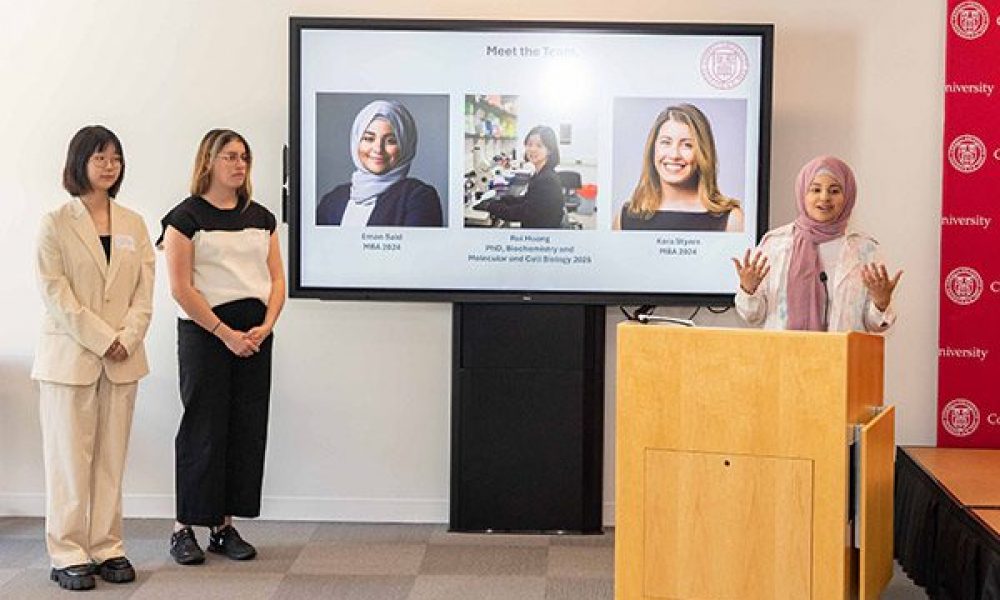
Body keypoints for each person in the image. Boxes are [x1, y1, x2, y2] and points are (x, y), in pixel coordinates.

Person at [32, 125, 154, 590]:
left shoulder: (134, 224)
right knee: (68, 459)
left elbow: (145, 293)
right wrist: (106, 338)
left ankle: (106, 545)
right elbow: (55, 294)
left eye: (115, 158)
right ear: (79, 162)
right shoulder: (55, 222)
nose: (109, 166)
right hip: (71, 359)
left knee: (110, 458)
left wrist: (128, 335)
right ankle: (67, 551)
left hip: (124, 359)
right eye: (100, 157)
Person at [158, 129, 285, 565]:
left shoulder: (263, 217)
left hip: (254, 336)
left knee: (244, 430)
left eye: (244, 157)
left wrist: (265, 326)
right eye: (230, 156)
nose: (239, 164)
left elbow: (276, 279)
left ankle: (223, 526)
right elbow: (181, 288)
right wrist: (224, 333)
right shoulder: (184, 218)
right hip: (206, 334)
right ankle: (183, 527)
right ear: (208, 162)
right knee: (204, 429)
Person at [732, 155, 902, 332]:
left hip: (842, 358)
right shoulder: (775, 244)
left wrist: (881, 302)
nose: (824, 197)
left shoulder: (865, 250)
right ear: (802, 193)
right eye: (815, 190)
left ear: (848, 196)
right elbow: (753, 315)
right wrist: (748, 290)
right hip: (783, 356)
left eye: (834, 191)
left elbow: (876, 324)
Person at [615, 103, 743, 232]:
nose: (674, 155)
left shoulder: (732, 220)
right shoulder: (624, 217)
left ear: (703, 153)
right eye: (666, 142)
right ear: (653, 149)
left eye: (687, 145)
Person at [316, 99, 443, 226]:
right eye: (369, 139)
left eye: (391, 141)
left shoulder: (418, 198)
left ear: (405, 145)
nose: (378, 149)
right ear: (356, 141)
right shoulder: (333, 199)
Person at [485, 125, 566, 229]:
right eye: (529, 144)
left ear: (549, 150)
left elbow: (523, 213)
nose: (532, 149)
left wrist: (491, 207)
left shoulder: (547, 180)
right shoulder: (541, 174)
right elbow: (529, 201)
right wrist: (504, 200)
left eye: (539, 145)